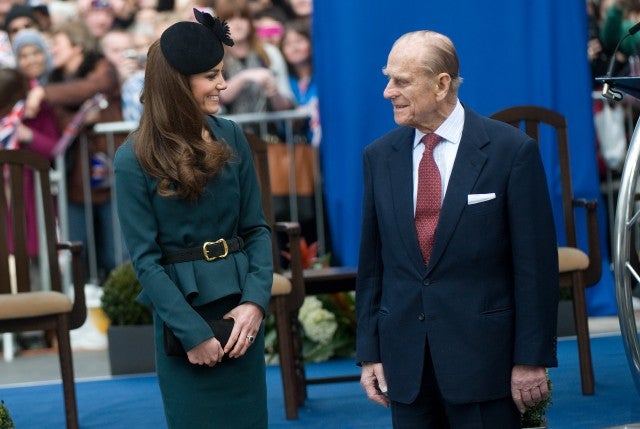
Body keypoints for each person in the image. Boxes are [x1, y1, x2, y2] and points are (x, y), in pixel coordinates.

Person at [355, 30, 559, 428]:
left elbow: (535, 267)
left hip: (485, 365)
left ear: (442, 83)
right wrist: (370, 352)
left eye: (401, 81)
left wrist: (530, 359)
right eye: (388, 78)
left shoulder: (511, 151)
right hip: (406, 366)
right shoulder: (379, 157)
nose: (388, 92)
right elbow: (373, 265)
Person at [113, 9, 272, 428]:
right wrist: (193, 333)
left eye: (222, 72)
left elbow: (256, 229)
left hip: (241, 313)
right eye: (210, 75)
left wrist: (255, 303)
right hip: (183, 319)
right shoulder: (132, 159)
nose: (223, 83)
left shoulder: (231, 134)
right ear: (177, 83)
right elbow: (145, 261)